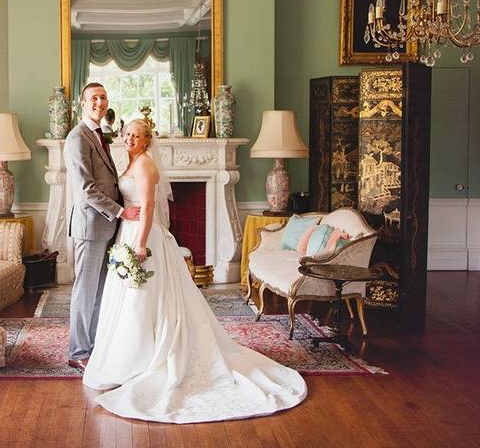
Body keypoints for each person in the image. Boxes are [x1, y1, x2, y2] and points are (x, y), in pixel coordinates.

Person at [83, 119, 308, 423]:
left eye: (136, 136)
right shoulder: (130, 162)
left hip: (142, 238)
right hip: (127, 231)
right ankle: (127, 360)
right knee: (130, 300)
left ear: (147, 141)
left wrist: (140, 243)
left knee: (145, 300)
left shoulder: (145, 165)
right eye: (127, 135)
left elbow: (148, 207)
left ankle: (145, 360)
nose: (130, 139)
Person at [64, 83, 141, 371]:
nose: (99, 102)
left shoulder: (98, 134)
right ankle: (78, 351)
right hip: (90, 225)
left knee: (99, 291)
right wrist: (121, 211)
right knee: (85, 291)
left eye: (103, 97)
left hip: (105, 226)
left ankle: (93, 345)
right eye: (93, 98)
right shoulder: (77, 138)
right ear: (82, 103)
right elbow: (86, 189)